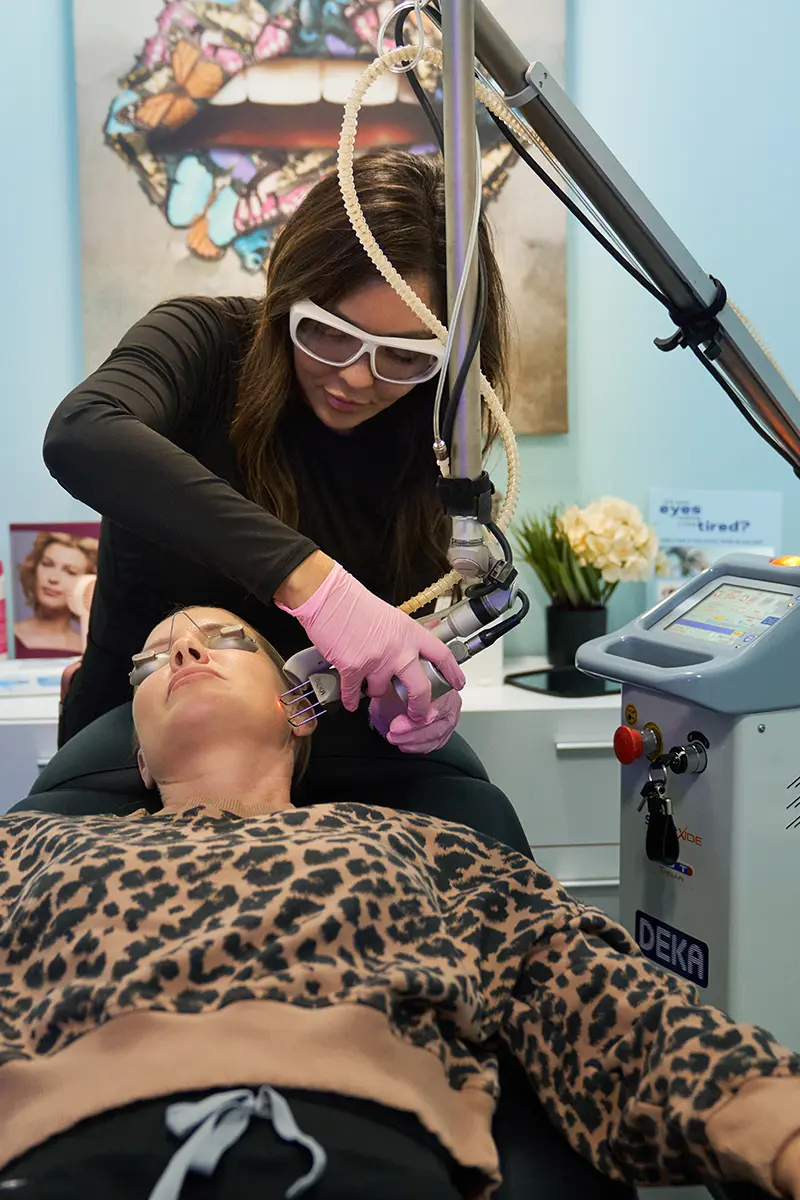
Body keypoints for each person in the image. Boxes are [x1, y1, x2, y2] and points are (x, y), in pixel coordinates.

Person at [1, 606, 800, 1200]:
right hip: (64, 1149)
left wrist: (775, 1122)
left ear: (299, 708)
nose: (182, 650)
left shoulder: (421, 843)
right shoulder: (31, 846)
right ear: (139, 758)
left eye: (227, 639)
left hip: (360, 1145)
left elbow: (591, 994)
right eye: (148, 662)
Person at [43, 148, 511, 756]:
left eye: (404, 355)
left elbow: (400, 641)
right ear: (288, 297)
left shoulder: (433, 441)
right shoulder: (205, 344)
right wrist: (314, 585)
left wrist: (409, 691)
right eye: (330, 333)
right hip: (139, 747)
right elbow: (82, 433)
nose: (357, 378)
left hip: (329, 754)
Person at [13, 531, 98, 655]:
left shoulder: (89, 648)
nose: (53, 578)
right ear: (34, 569)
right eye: (47, 564)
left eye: (70, 572)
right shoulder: (9, 638)